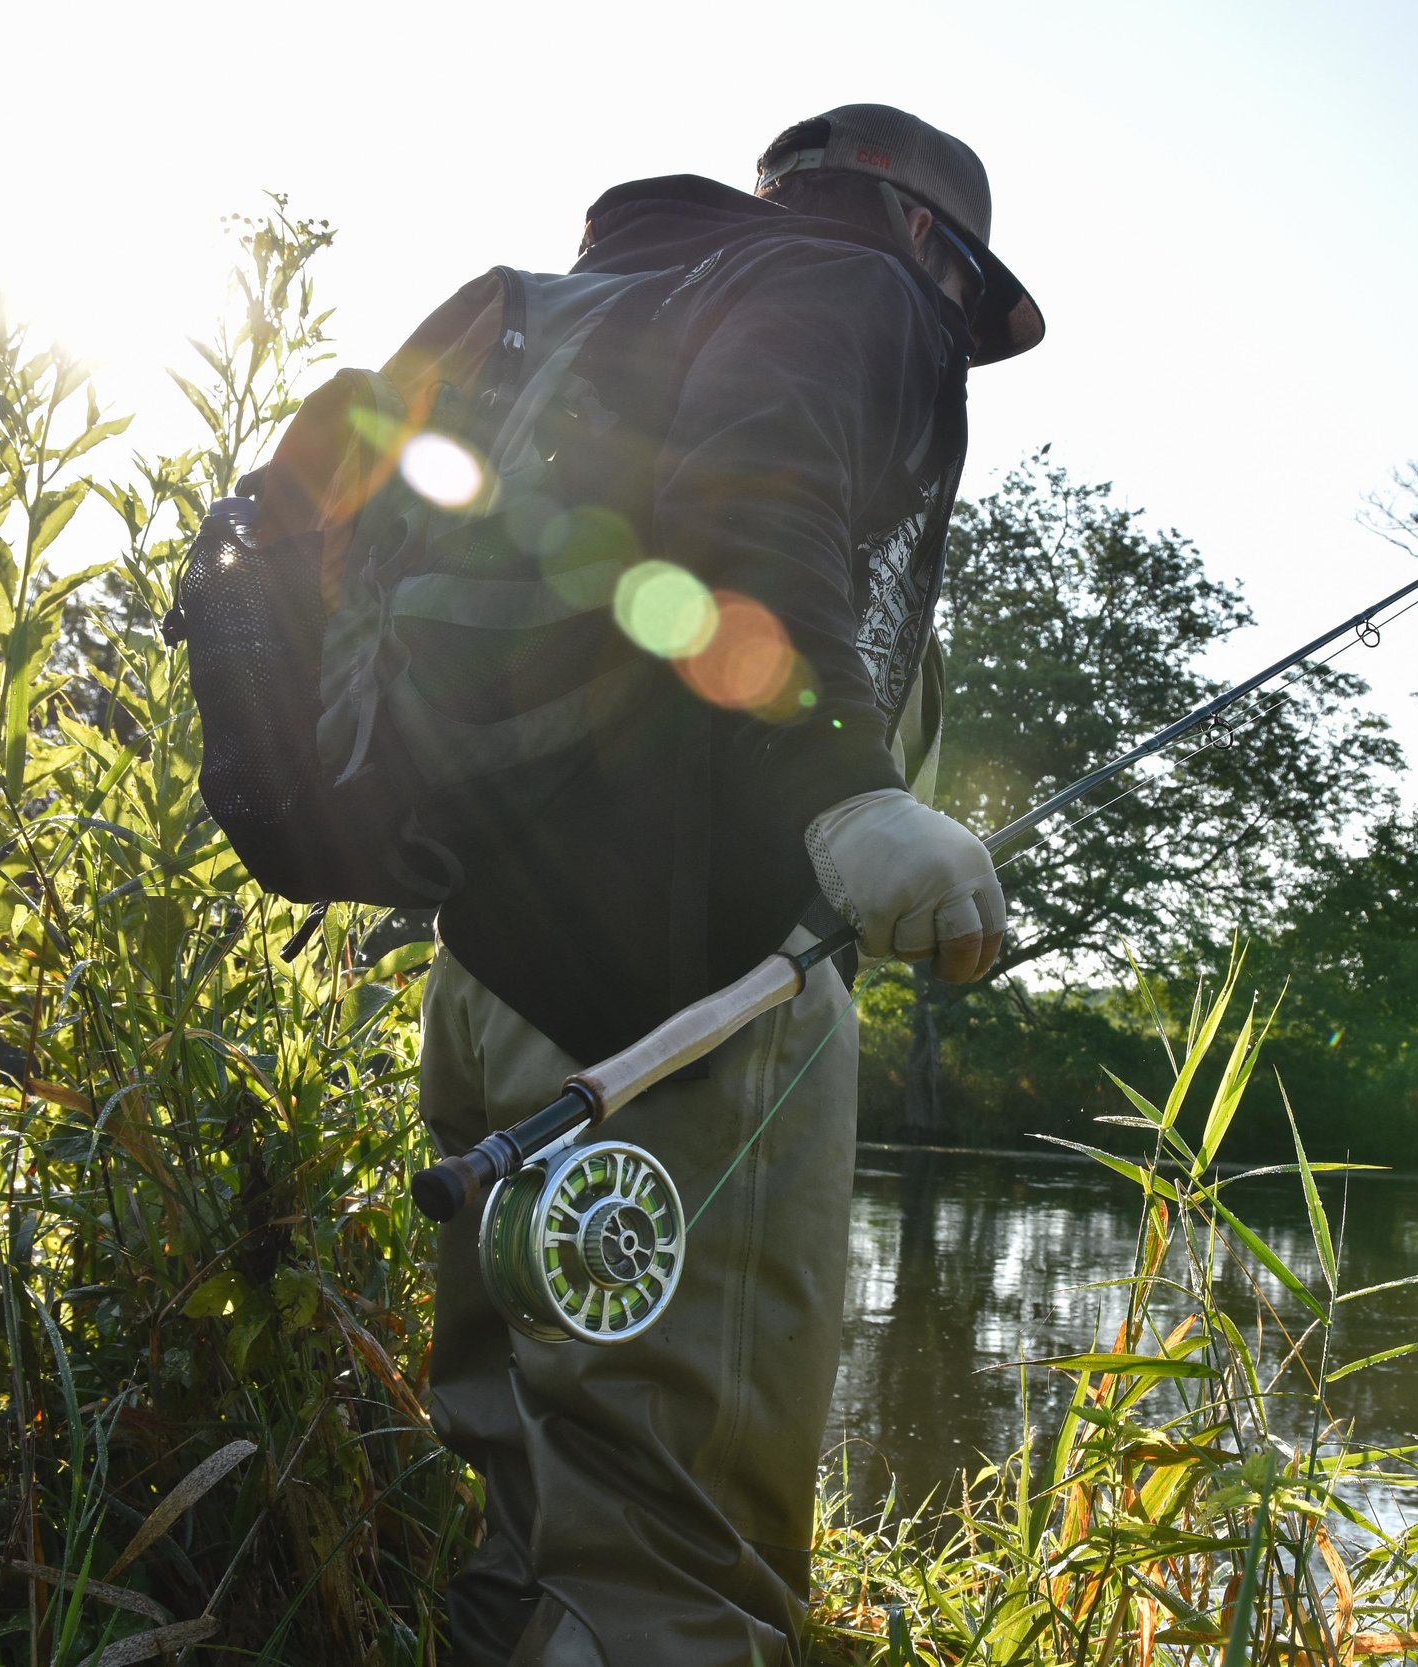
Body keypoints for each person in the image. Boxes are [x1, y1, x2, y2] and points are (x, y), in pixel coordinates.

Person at [413, 105, 1040, 1665]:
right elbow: (750, 503)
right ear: (920, 236)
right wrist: (853, 801)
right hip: (692, 1009)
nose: (952, 331)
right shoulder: (861, 289)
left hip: (493, 987)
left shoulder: (626, 300)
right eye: (966, 294)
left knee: (528, 1481)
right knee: (672, 1539)